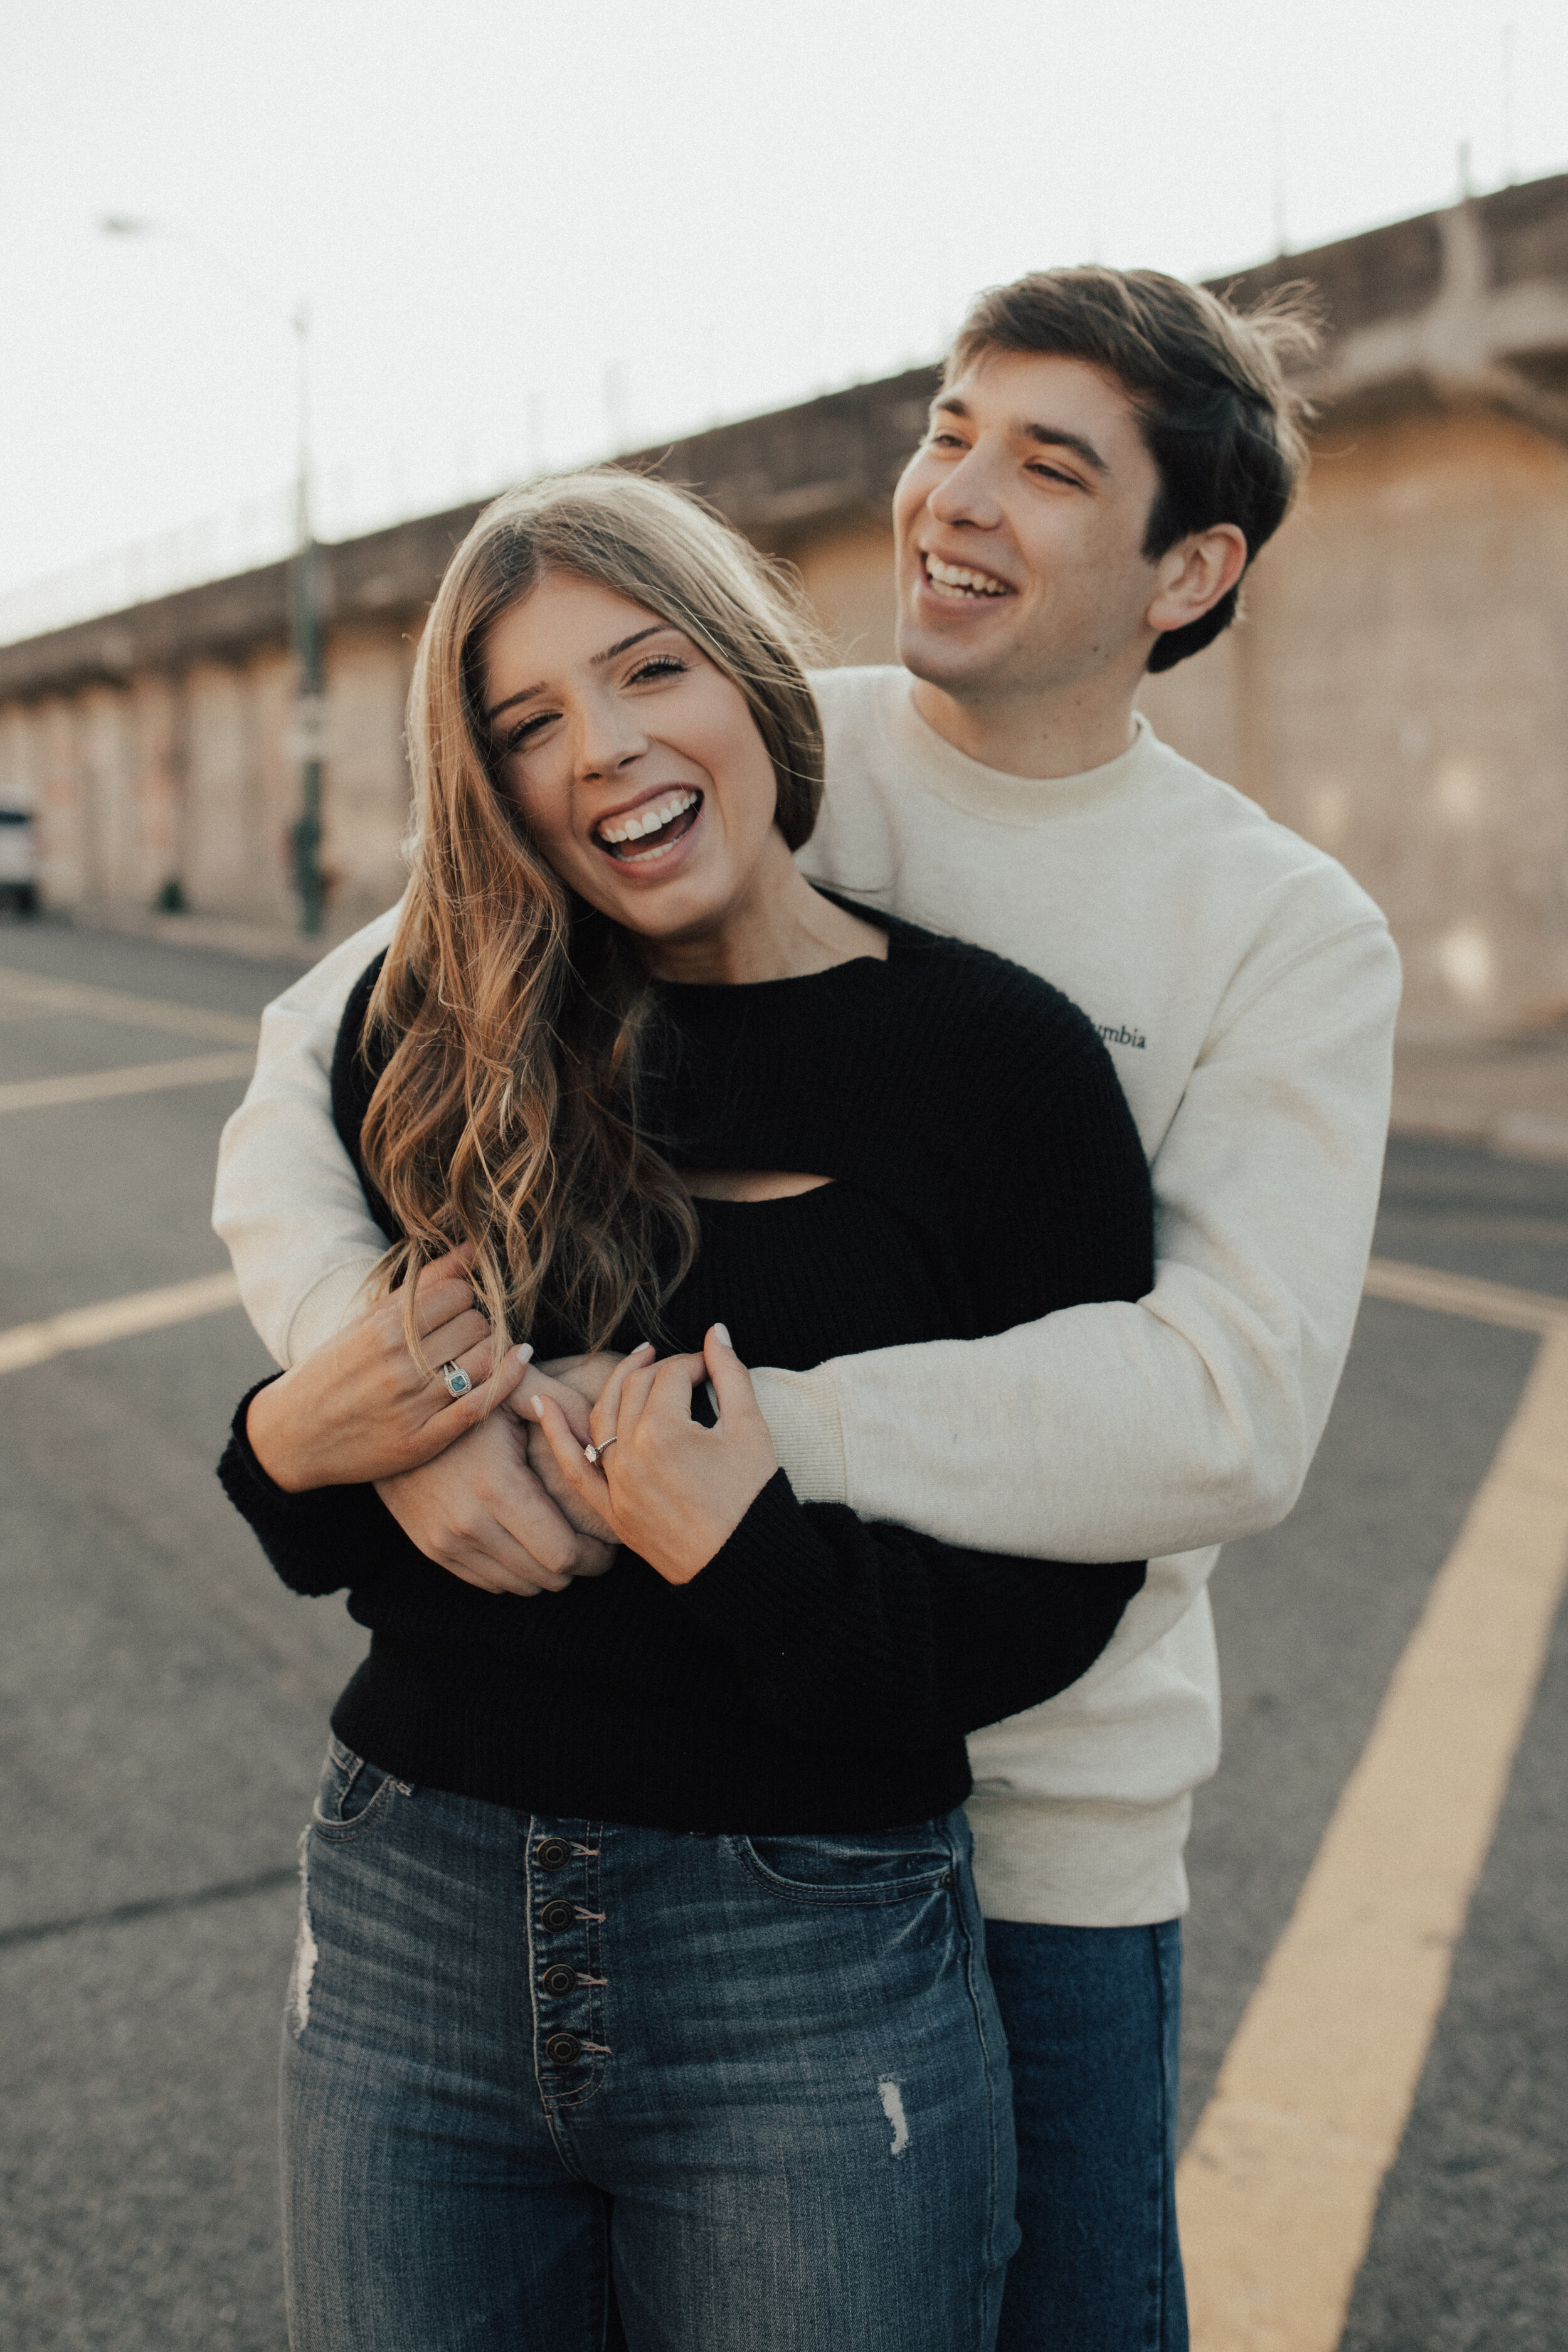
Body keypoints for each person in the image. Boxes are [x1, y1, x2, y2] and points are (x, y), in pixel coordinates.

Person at [215, 267, 1401, 2350]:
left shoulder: (1280, 929)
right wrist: (411, 1401)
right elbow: (316, 1071)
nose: (955, 491)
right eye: (949, 427)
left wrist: (680, 1433)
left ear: (1189, 566)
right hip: (591, 1779)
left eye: (1047, 464)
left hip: (1040, 1813)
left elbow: (1224, 1409)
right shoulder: (754, 748)